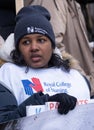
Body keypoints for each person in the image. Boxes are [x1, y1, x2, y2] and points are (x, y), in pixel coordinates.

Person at [0, 5, 91, 123]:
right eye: (26, 42)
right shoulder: (8, 75)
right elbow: (4, 122)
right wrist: (45, 102)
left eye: (41, 40)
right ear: (18, 48)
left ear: (52, 45)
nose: (34, 48)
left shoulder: (74, 77)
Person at [30, 0, 94, 97]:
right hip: (70, 87)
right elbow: (53, 47)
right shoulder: (52, 2)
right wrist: (85, 81)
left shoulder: (75, 3)